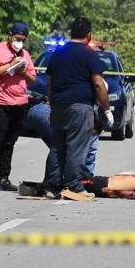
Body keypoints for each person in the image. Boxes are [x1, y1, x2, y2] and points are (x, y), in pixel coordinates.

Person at [45, 16, 111, 201]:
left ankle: (52, 185)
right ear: (89, 35)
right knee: (76, 147)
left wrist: (52, 105)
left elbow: (49, 82)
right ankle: (74, 185)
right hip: (80, 108)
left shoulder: (57, 53)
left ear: (71, 33)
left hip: (58, 106)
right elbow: (99, 85)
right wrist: (106, 110)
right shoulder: (89, 55)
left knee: (57, 147)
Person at [0, 21, 37, 191]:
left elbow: (33, 79)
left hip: (18, 103)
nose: (19, 42)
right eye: (17, 38)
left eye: (23, 39)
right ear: (10, 35)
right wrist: (10, 65)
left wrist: (22, 71)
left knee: (9, 142)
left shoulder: (25, 54)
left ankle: (3, 178)